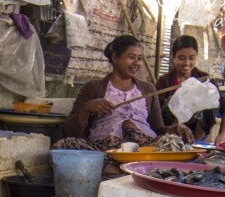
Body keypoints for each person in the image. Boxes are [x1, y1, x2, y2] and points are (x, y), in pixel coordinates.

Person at [56, 35, 193, 151]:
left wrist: (175, 129)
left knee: (175, 146)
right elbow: (70, 130)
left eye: (139, 58)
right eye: (131, 57)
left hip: (143, 148)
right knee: (63, 144)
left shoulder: (148, 89)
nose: (136, 63)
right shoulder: (93, 87)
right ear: (115, 57)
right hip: (106, 148)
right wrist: (87, 108)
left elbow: (158, 129)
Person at [154, 35, 225, 143]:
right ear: (173, 57)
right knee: (175, 99)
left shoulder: (204, 79)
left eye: (191, 58)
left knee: (206, 97)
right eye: (181, 58)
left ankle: (194, 143)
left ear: (196, 57)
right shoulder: (164, 81)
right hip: (172, 132)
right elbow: (156, 114)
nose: (186, 63)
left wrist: (221, 135)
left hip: (197, 132)